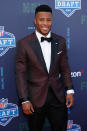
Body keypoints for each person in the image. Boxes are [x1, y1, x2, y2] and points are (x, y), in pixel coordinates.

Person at [15, 4, 74, 131]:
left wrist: (69, 90)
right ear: (35, 21)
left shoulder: (61, 41)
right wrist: (24, 100)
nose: (45, 23)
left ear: (52, 21)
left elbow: (65, 67)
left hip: (57, 98)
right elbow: (21, 74)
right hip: (35, 99)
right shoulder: (24, 43)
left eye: (49, 20)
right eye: (41, 20)